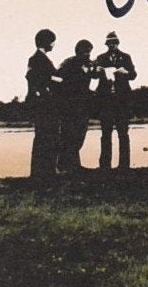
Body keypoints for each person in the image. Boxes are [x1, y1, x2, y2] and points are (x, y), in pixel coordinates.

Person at [91, 31, 137, 171]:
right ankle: (105, 165)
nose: (111, 46)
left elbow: (133, 75)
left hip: (122, 101)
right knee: (106, 133)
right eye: (109, 44)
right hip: (105, 102)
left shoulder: (126, 57)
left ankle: (124, 165)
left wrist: (126, 72)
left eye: (114, 43)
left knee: (123, 133)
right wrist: (97, 70)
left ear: (118, 43)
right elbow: (93, 75)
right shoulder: (100, 58)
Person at [54, 39, 96, 173]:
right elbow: (57, 79)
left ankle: (74, 165)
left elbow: (94, 74)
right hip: (69, 105)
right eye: (86, 52)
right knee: (68, 135)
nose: (88, 54)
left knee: (79, 135)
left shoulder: (89, 64)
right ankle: (63, 165)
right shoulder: (68, 63)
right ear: (79, 51)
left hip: (83, 105)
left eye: (89, 52)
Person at [25, 28, 60, 180]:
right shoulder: (39, 59)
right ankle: (46, 172)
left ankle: (42, 171)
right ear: (47, 42)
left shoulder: (36, 59)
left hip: (41, 102)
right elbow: (41, 78)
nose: (53, 45)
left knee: (42, 136)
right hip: (44, 103)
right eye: (52, 42)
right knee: (47, 136)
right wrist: (58, 80)